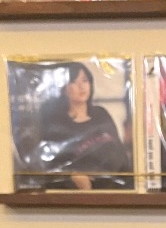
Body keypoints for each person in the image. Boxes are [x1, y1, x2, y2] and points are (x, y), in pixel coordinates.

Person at [37, 62, 131, 190]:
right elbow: (52, 169)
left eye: (85, 80)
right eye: (74, 82)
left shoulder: (101, 114)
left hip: (115, 188)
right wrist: (74, 179)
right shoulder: (58, 125)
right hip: (77, 192)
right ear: (64, 88)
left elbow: (120, 153)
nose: (81, 86)